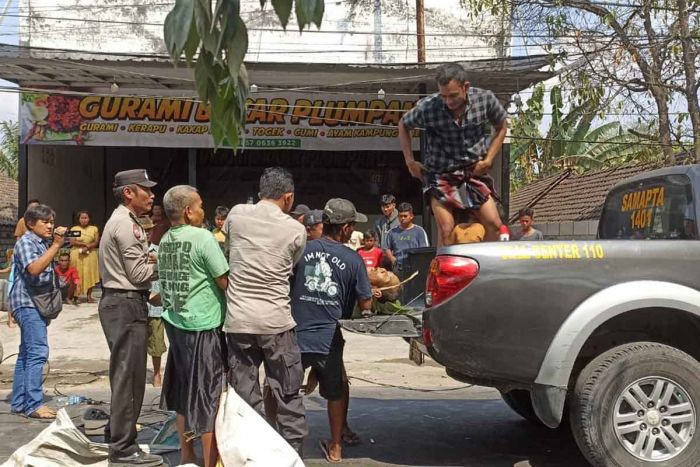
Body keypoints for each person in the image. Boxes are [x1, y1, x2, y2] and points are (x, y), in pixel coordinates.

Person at [224, 167, 307, 456]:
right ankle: (292, 453)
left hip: (238, 322)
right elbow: (292, 266)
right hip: (276, 323)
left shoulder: (235, 214)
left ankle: (251, 454)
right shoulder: (296, 230)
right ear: (288, 197)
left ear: (260, 192)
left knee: (245, 395)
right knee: (287, 392)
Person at [291, 198, 372, 463]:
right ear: (347, 228)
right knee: (336, 390)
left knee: (283, 389)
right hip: (329, 338)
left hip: (295, 334)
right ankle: (336, 447)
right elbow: (366, 303)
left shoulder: (301, 250)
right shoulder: (353, 259)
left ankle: (284, 444)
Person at [398, 62, 508, 245]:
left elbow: (501, 126)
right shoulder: (428, 107)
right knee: (447, 229)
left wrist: (489, 159)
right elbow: (403, 125)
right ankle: (444, 272)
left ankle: (485, 269)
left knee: (495, 224)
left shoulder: (485, 99)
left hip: (472, 172)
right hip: (441, 175)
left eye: (453, 95)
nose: (448, 101)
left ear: (466, 87)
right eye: (444, 96)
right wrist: (410, 161)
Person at [158, 185, 229, 467]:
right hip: (204, 327)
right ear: (188, 211)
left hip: (176, 324)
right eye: (200, 205)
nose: (203, 210)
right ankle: (210, 463)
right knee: (208, 398)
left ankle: (187, 456)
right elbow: (224, 280)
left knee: (183, 394)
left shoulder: (165, 240)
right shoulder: (203, 238)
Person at [98, 169, 162, 467]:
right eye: (145, 190)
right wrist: (167, 262)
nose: (151, 195)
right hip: (126, 304)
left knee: (125, 376)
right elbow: (137, 275)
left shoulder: (126, 221)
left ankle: (118, 433)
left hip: (121, 303)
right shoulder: (127, 225)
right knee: (130, 378)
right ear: (128, 193)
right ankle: (123, 449)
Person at [9, 203, 68, 419]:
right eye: (45, 222)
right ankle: (34, 404)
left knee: (26, 354)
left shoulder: (42, 243)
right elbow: (33, 269)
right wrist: (55, 247)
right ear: (31, 224)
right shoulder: (26, 242)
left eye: (52, 222)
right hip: (27, 302)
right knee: (38, 352)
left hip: (35, 302)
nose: (50, 226)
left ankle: (19, 402)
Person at [139, 215, 166, 388]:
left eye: (149, 230)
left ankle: (157, 373)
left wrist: (160, 261)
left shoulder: (159, 250)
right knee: (137, 342)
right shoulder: (131, 251)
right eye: (144, 230)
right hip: (137, 302)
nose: (147, 234)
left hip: (155, 304)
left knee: (157, 341)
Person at [384, 202, 429, 273]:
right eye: (400, 216)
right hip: (398, 268)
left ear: (411, 216)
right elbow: (386, 248)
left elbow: (424, 250)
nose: (402, 218)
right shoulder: (392, 232)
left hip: (415, 267)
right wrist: (393, 259)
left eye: (405, 216)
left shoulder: (419, 231)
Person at [69, 211, 100, 303]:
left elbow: (96, 241)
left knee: (90, 274)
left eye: (85, 218)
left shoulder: (94, 228)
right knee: (77, 274)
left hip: (90, 254)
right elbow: (72, 242)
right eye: (82, 218)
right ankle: (76, 296)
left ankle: (89, 296)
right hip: (76, 254)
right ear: (78, 219)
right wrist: (85, 244)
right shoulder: (74, 229)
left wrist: (88, 247)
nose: (84, 220)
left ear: (89, 219)